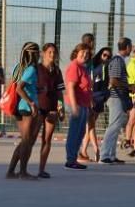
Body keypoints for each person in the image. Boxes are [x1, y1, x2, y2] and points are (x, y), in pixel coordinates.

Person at [6, 42, 42, 179]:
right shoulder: (32, 69)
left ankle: (11, 171)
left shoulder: (18, 67)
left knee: (24, 141)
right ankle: (23, 172)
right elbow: (19, 88)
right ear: (35, 54)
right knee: (27, 141)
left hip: (18, 107)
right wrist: (32, 103)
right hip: (27, 108)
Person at [99, 38, 135, 165]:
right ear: (127, 47)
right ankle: (104, 155)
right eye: (130, 46)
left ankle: (111, 155)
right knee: (113, 126)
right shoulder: (117, 61)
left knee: (116, 126)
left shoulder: (119, 61)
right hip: (116, 97)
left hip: (119, 97)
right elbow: (113, 81)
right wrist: (129, 87)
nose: (131, 49)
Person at [35, 43, 65, 178]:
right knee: (30, 139)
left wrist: (60, 108)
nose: (52, 55)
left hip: (51, 109)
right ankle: (19, 167)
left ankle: (41, 169)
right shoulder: (36, 69)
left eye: (54, 52)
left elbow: (60, 92)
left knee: (47, 139)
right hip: (38, 108)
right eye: (49, 52)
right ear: (43, 53)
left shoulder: (57, 71)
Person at [63, 43, 92, 170]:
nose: (85, 55)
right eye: (82, 52)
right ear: (76, 52)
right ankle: (70, 160)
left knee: (81, 132)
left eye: (87, 53)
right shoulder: (74, 66)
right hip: (76, 104)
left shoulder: (83, 67)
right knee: (74, 132)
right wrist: (74, 106)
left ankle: (74, 157)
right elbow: (70, 88)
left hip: (84, 104)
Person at [82, 46, 112, 162]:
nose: (106, 58)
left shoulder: (106, 68)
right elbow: (91, 83)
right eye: (104, 55)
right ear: (100, 55)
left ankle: (84, 150)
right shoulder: (94, 67)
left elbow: (106, 84)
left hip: (99, 98)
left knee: (90, 125)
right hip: (93, 97)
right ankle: (95, 150)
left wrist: (106, 94)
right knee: (90, 125)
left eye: (109, 56)